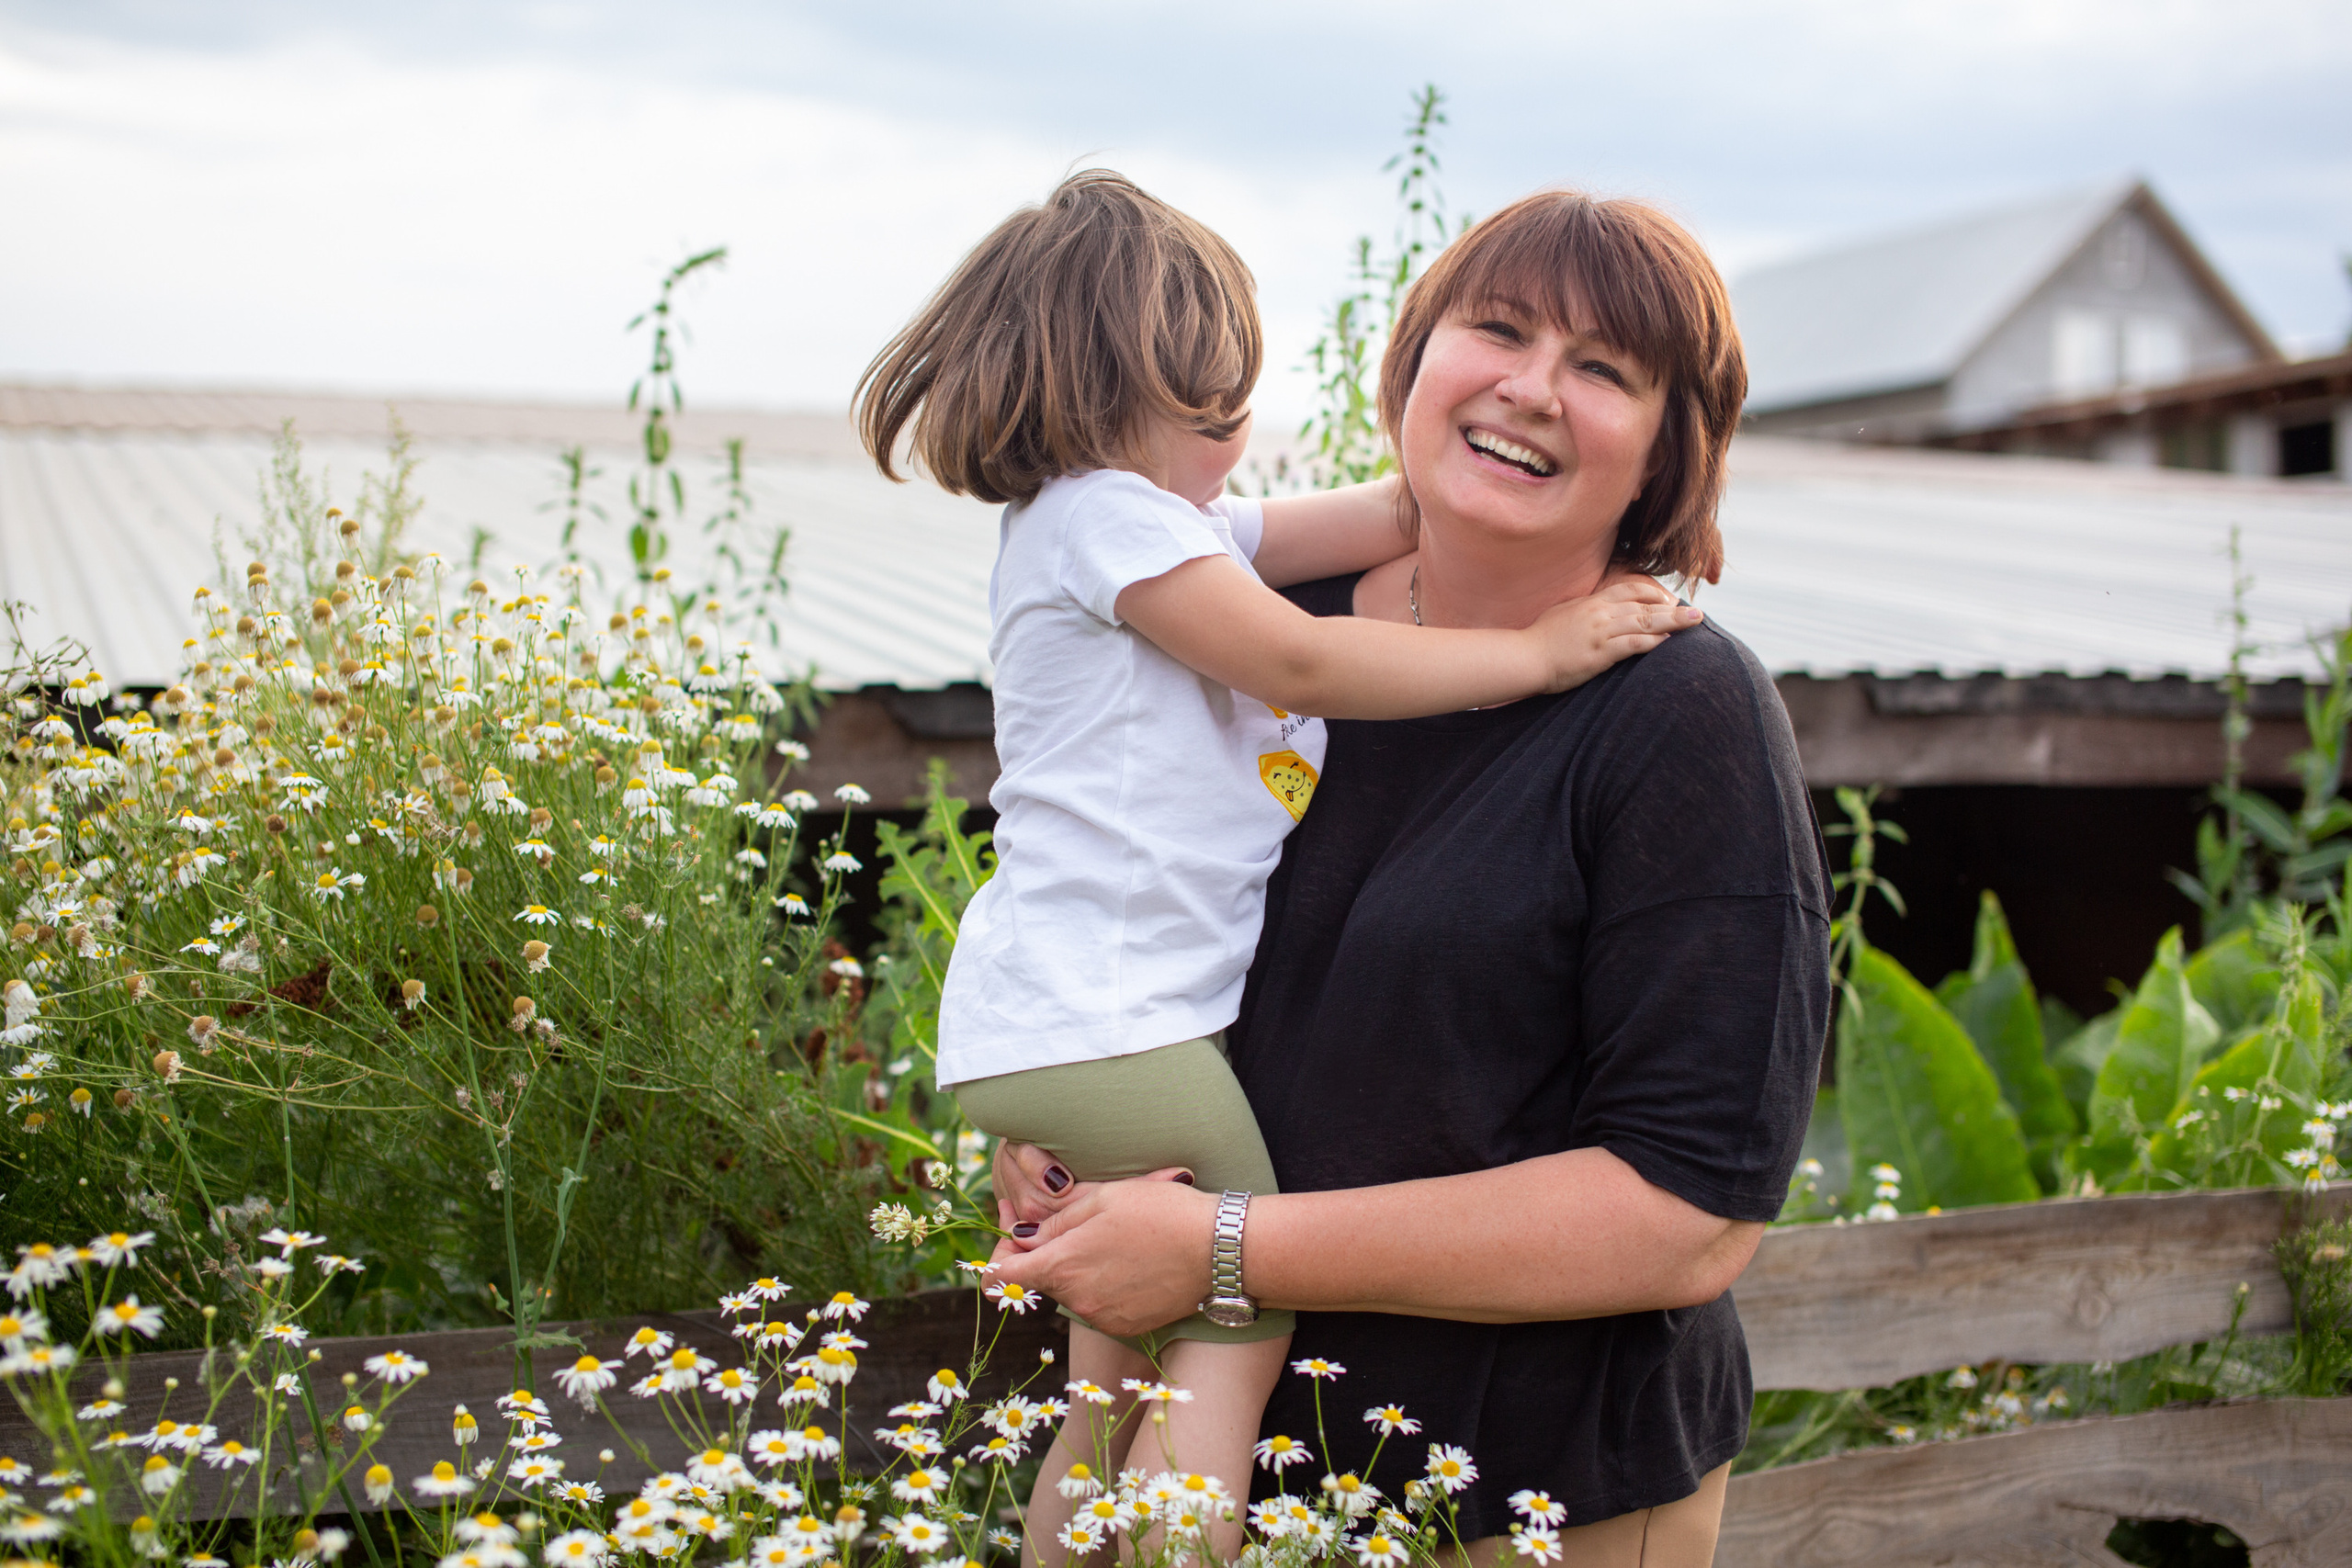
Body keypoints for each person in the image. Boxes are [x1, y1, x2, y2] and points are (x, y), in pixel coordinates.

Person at [854, 171, 1702, 1565]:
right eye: (1213, 415)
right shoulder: (1115, 520)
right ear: (1104, 407)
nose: (1239, 445)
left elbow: (1372, 518)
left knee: (1111, 1384)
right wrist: (1539, 655)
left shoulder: (1132, 518)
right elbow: (1303, 658)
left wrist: (1478, 463)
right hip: (1114, 1020)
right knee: (1236, 1324)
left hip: (1070, 1020)